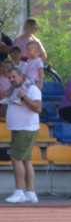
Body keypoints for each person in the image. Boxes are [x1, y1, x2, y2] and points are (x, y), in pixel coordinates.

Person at [2, 69, 42, 203]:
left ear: (22, 76)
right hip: (17, 128)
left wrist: (24, 97)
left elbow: (37, 108)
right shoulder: (13, 91)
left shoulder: (32, 88)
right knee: (26, 160)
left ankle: (19, 192)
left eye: (14, 76)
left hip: (27, 128)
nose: (11, 79)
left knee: (16, 158)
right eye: (9, 77)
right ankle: (31, 193)